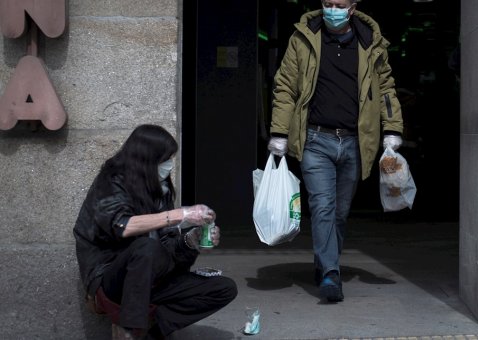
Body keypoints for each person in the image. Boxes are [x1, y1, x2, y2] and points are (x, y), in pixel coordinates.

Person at [267, 0, 404, 302]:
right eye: (327, 3)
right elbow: (285, 86)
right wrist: (279, 132)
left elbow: (386, 89)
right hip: (315, 139)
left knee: (340, 213)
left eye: (339, 5)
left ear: (353, 8)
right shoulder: (303, 38)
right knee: (323, 207)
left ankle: (324, 262)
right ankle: (331, 273)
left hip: (356, 141)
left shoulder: (370, 42)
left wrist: (392, 128)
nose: (332, 9)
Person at [73, 124, 237, 340]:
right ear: (146, 161)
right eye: (165, 160)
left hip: (152, 280)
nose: (169, 165)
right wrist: (181, 215)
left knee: (223, 288)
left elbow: (168, 248)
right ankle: (131, 331)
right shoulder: (110, 182)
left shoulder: (160, 190)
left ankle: (152, 329)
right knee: (146, 248)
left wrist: (191, 240)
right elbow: (122, 226)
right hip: (111, 280)